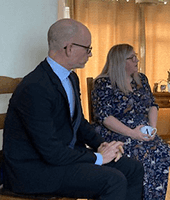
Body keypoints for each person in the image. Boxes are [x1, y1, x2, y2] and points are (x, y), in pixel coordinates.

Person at [2, 19, 144, 200]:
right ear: (69, 48)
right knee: (112, 180)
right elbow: (51, 151)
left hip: (60, 160)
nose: (90, 54)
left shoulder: (71, 78)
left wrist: (102, 145)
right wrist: (98, 157)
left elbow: (80, 123)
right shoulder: (35, 87)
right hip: (34, 170)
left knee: (133, 168)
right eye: (87, 49)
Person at [91, 44, 170, 200]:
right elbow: (105, 117)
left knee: (165, 152)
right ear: (120, 61)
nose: (137, 60)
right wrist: (132, 133)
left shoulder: (141, 79)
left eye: (136, 56)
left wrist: (152, 128)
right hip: (115, 131)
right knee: (145, 154)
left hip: (142, 129)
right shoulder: (103, 83)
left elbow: (152, 105)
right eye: (132, 57)